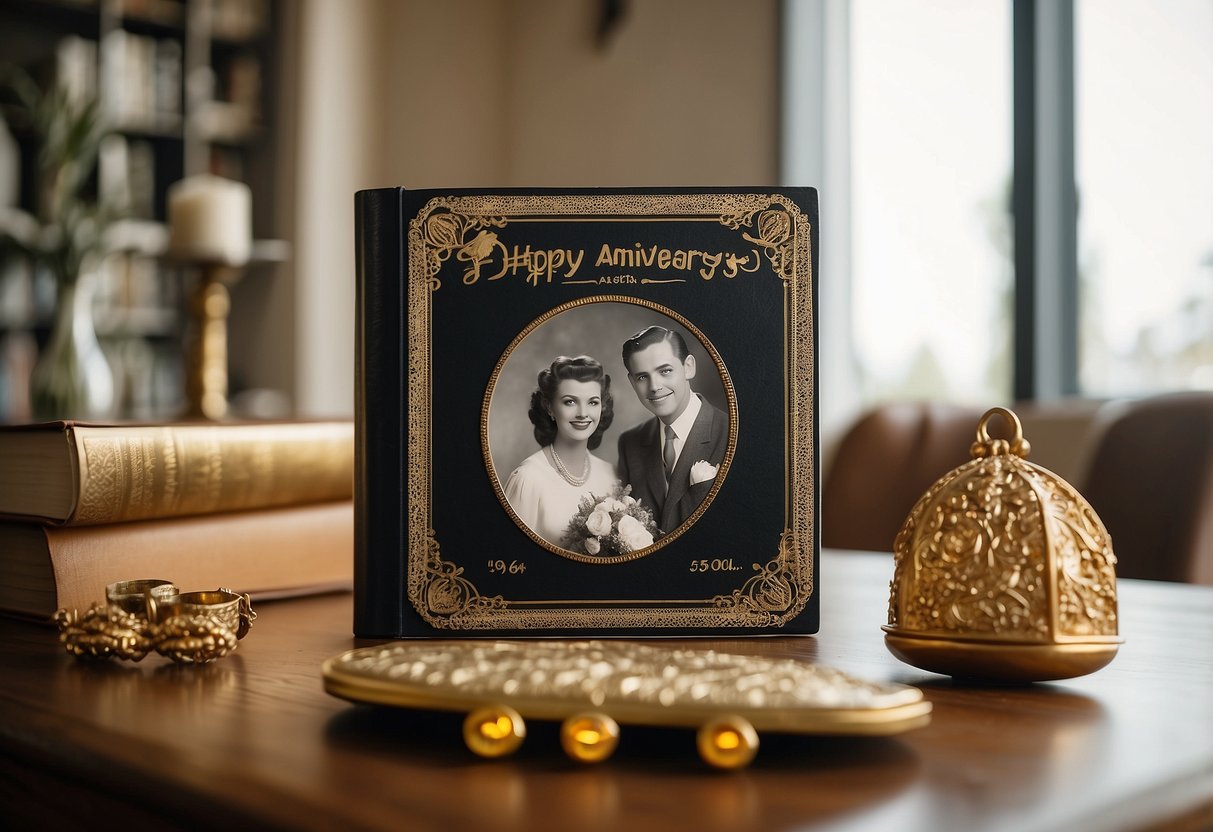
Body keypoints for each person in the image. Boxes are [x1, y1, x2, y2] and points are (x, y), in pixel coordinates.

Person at [617, 325, 728, 536]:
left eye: (665, 371)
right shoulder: (630, 443)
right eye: (642, 377)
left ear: (688, 367)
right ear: (632, 382)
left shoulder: (729, 432)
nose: (654, 386)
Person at [504, 355, 618, 547]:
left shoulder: (611, 474)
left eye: (592, 402)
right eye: (570, 402)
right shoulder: (527, 480)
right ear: (550, 408)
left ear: (602, 407)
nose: (583, 413)